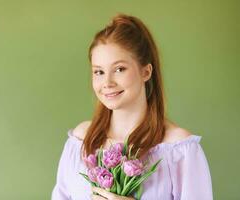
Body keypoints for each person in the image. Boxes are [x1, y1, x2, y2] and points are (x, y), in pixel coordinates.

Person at [51, 13, 213, 200]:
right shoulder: (80, 141)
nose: (107, 82)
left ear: (146, 71)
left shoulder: (179, 150)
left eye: (119, 69)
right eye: (99, 72)